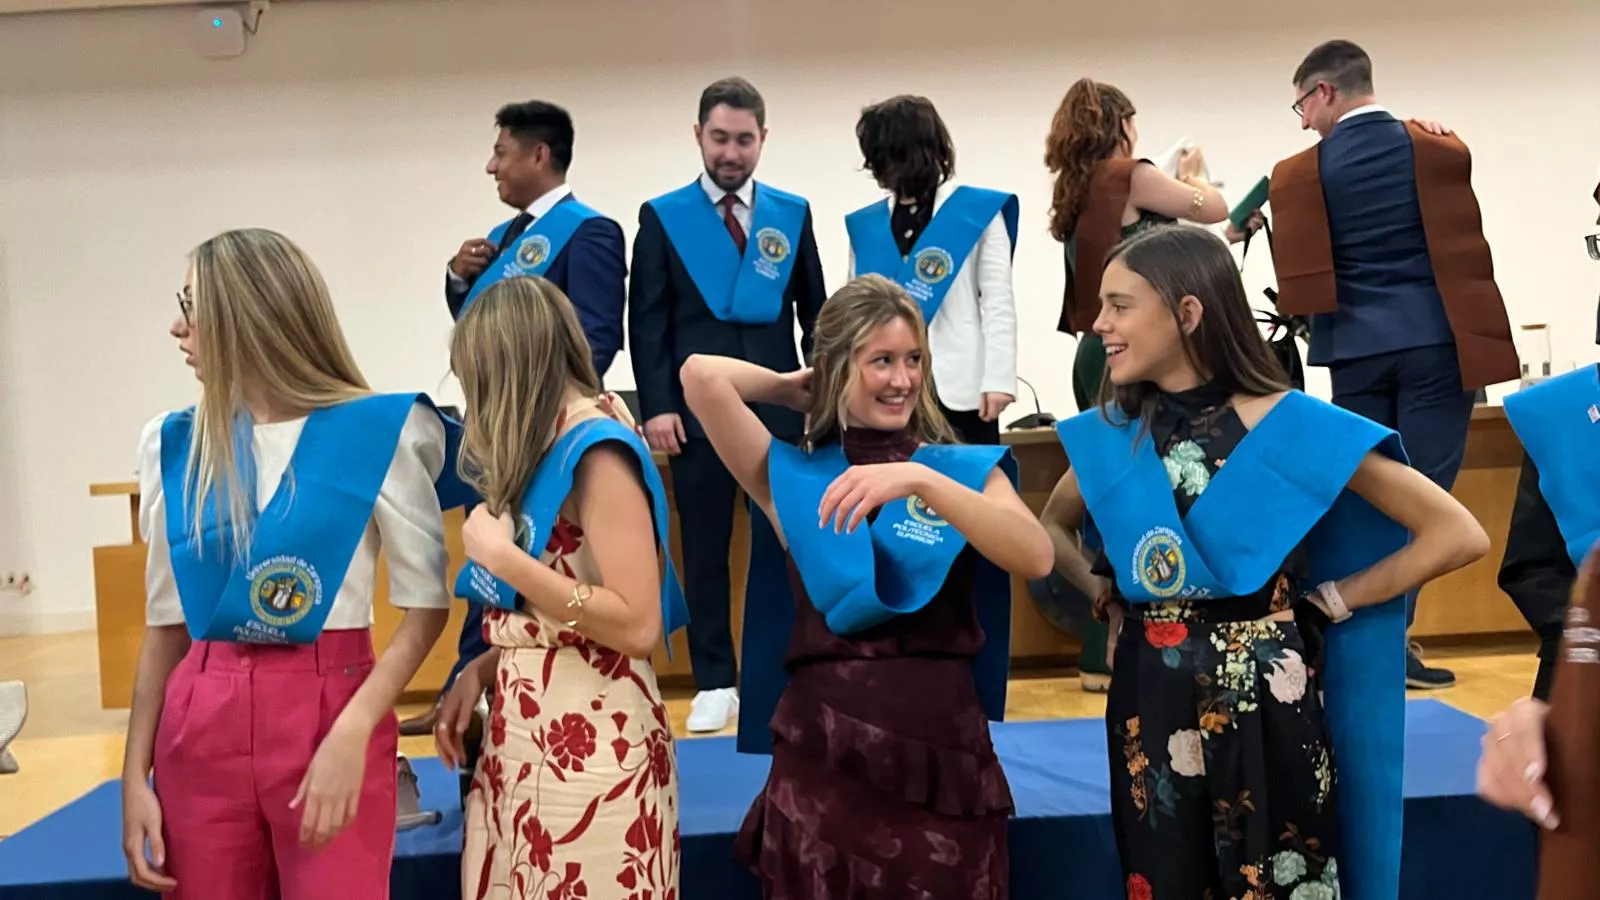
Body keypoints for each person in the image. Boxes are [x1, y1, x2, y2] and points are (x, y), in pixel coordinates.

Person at [1038, 224, 1489, 899]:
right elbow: (1053, 528)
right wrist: (1108, 593)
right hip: (1147, 695)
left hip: (1267, 697)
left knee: (1276, 876)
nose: (1099, 323)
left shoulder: (1295, 424)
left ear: (1187, 313)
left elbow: (1456, 533)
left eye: (1119, 304)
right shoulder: (1112, 433)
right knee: (1160, 877)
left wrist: (1333, 600)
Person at [680, 274, 1055, 899]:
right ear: (836, 367)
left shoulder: (957, 471)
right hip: (824, 754)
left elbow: (1036, 556)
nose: (902, 380)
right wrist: (797, 388)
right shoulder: (792, 477)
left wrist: (921, 482)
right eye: (880, 360)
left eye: (913, 360)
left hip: (941, 751)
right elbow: (699, 376)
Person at [121, 229, 462, 898]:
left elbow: (426, 609)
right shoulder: (173, 443)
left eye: (191, 304)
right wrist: (135, 774)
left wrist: (356, 730)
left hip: (333, 710)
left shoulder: (381, 430)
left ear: (245, 312)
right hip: (199, 720)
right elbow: (164, 627)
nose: (176, 326)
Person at [1268, 39, 1520, 689]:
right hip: (1439, 343)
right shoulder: (1438, 146)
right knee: (1428, 501)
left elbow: (1265, 238)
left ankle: (1361, 643)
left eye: (1301, 104)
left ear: (1325, 91)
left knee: (1369, 499)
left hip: (1352, 349)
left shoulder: (1299, 172)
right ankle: (1392, 639)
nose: (1302, 122)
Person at [431, 275, 689, 900]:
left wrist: (504, 560)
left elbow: (635, 624)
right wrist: (485, 668)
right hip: (525, 736)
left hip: (596, 754)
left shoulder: (598, 450)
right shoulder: (547, 442)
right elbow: (563, 612)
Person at [410, 99, 629, 741]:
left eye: (501, 152)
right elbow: (486, 336)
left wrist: (536, 409)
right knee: (484, 562)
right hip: (494, 434)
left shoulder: (589, 232)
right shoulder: (502, 242)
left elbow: (592, 339)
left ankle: (505, 689)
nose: (490, 167)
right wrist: (458, 281)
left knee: (525, 564)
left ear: (539, 155)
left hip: (543, 436)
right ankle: (466, 690)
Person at [1042, 76, 1259, 694]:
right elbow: (1213, 209)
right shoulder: (1130, 173)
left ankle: (1095, 650)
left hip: (1096, 348)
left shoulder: (1076, 189)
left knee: (1112, 489)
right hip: (1139, 349)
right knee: (1156, 489)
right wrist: (1191, 173)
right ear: (1120, 124)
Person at [628, 76, 828, 733]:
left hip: (778, 410)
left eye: (745, 139)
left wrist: (821, 402)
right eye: (720, 138)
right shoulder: (663, 218)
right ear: (698, 136)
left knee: (787, 542)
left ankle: (792, 668)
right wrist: (658, 404)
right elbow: (647, 323)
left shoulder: (790, 214)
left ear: (763, 140)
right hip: (694, 414)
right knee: (706, 547)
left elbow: (817, 317)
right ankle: (715, 680)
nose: (732, 152)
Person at [845, 93, 1018, 445]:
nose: (879, 167)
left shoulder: (978, 211)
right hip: (888, 388)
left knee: (969, 490)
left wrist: (999, 378)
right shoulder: (865, 225)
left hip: (961, 386)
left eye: (886, 154)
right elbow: (853, 313)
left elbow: (998, 300)